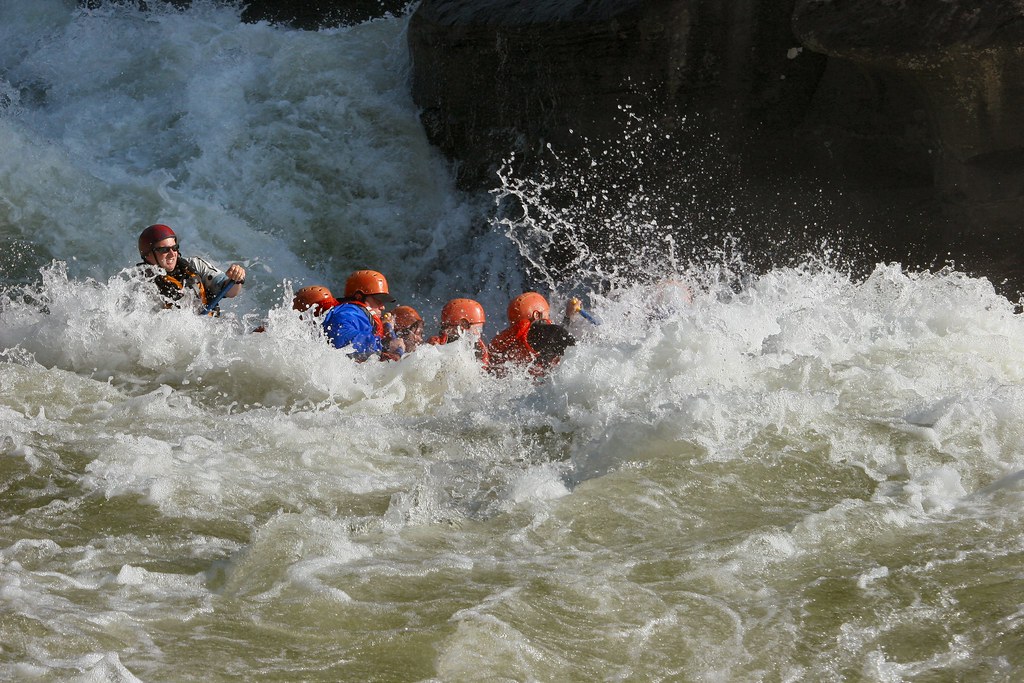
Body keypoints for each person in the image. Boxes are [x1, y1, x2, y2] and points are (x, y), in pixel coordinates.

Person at [135, 223, 246, 314]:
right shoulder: (140, 286)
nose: (172, 254)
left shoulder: (195, 265)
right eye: (164, 250)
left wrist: (236, 278)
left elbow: (230, 292)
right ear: (148, 255)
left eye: (174, 248)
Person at [489, 291, 576, 376]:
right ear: (537, 315)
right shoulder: (548, 333)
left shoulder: (511, 342)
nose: (548, 318)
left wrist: (568, 316)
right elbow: (565, 340)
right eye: (547, 314)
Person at [322, 269, 401, 361]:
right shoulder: (350, 311)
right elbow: (341, 338)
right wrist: (387, 345)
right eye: (378, 300)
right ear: (359, 297)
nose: (383, 307)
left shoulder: (357, 314)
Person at [428, 298, 490, 364]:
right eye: (477, 328)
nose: (478, 333)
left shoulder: (479, 348)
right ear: (463, 325)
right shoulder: (436, 346)